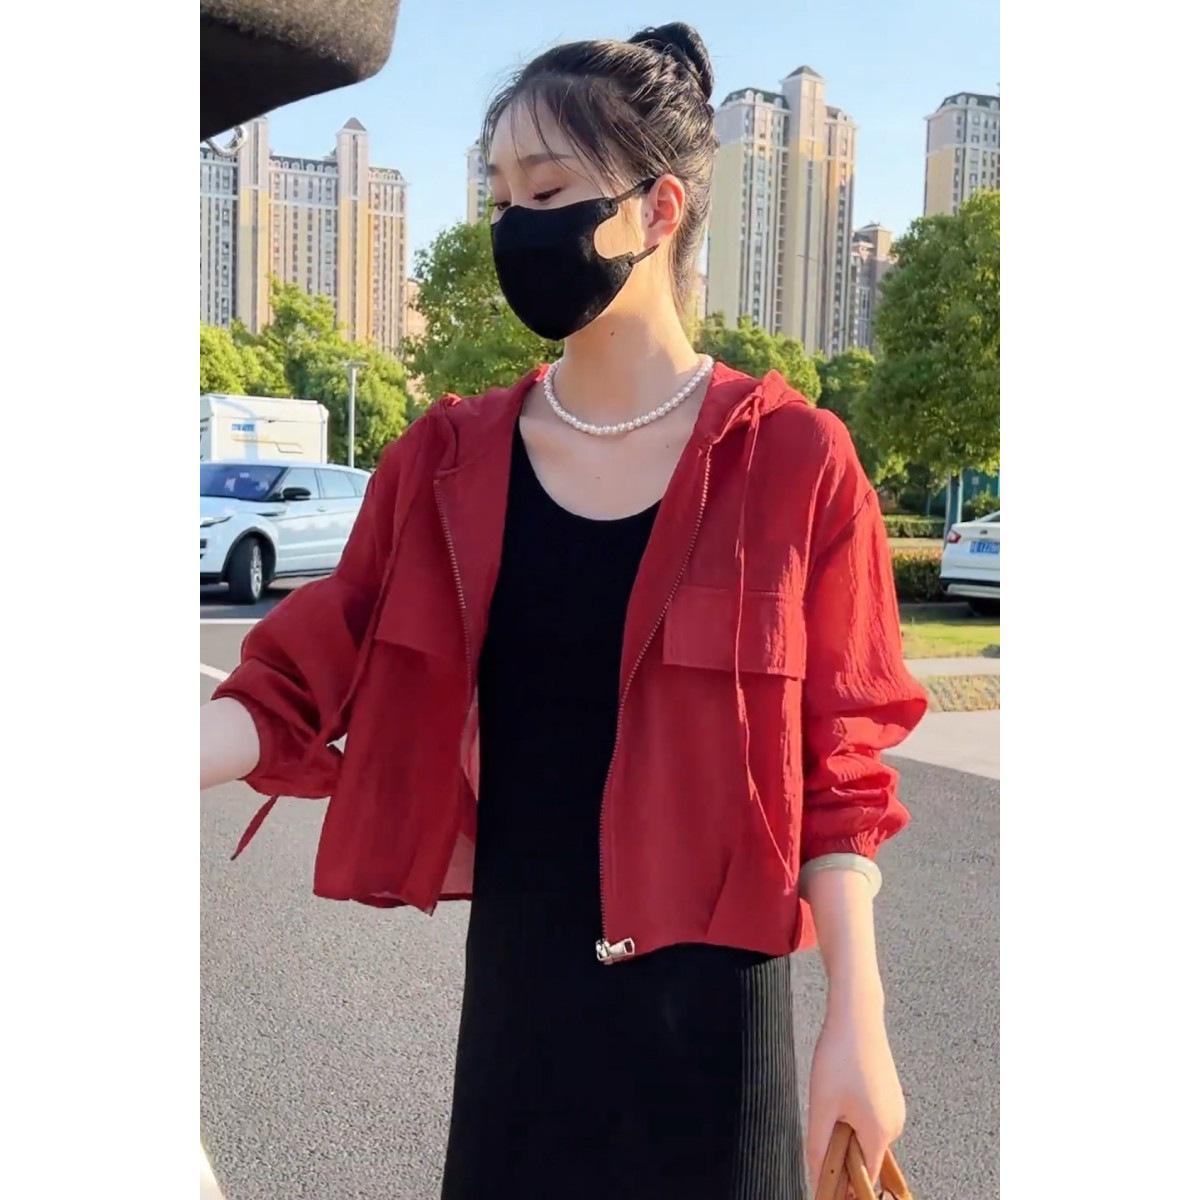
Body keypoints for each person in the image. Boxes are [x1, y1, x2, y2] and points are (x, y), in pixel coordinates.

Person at [200, 22, 927, 1200]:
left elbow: (837, 767)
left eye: (545, 193)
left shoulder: (796, 461)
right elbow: (309, 670)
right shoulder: (448, 461)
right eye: (498, 198)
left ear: (659, 209)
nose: (514, 229)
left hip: (718, 1049)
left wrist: (860, 1019)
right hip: (522, 1030)